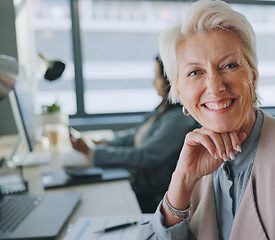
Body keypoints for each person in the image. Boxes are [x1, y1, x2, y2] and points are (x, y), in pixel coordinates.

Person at [139, 1, 275, 239]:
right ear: (178, 91)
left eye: (229, 65)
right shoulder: (198, 152)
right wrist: (182, 181)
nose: (215, 87)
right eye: (195, 72)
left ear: (253, 76)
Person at [70, 55, 199, 213]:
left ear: (169, 79)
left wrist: (93, 152)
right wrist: (105, 142)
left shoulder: (179, 117)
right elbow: (134, 136)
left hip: (151, 191)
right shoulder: (163, 109)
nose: (153, 82)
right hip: (138, 180)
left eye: (157, 76)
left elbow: (146, 155)